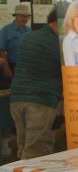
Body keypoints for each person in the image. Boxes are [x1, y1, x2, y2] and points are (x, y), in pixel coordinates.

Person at [9, 9, 62, 159]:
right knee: (36, 153)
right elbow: (68, 70)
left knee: (23, 148)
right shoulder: (56, 43)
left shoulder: (30, 37)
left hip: (17, 99)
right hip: (39, 102)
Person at [0, 4, 32, 71]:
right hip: (11, 65)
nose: (25, 19)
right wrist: (7, 69)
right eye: (22, 16)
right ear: (16, 16)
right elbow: (1, 50)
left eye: (27, 17)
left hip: (27, 66)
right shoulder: (6, 30)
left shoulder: (29, 30)